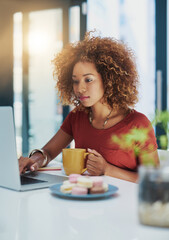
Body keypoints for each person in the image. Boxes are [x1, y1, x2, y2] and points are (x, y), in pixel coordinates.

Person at [19, 31, 159, 183]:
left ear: (108, 79)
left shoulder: (137, 123)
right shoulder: (77, 117)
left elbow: (154, 180)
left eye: (88, 80)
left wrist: (107, 169)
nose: (80, 89)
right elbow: (48, 151)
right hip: (85, 201)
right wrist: (35, 160)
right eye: (75, 81)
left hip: (123, 204)